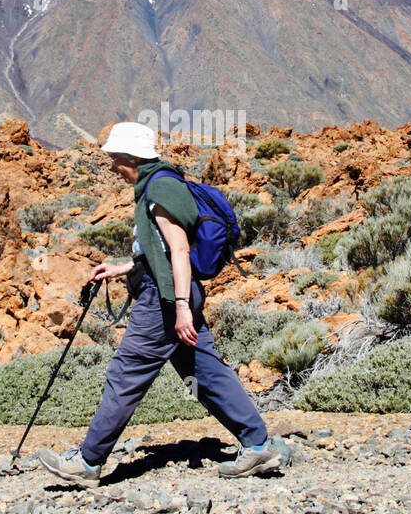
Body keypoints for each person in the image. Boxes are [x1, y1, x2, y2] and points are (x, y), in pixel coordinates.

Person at [38, 121, 284, 486]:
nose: (112, 166)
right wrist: (122, 268)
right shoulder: (155, 184)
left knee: (127, 373)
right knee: (203, 373)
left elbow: (180, 250)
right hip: (171, 294)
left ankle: (87, 463)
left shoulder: (160, 188)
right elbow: (161, 250)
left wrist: (181, 306)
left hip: (165, 301)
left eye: (116, 158)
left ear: (133, 157)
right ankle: (257, 443)